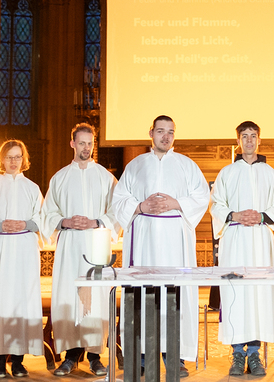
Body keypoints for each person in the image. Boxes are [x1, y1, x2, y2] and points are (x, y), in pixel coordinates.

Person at [111, 115, 210, 377]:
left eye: (170, 132)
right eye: (160, 131)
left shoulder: (187, 165)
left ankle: (175, 356)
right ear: (151, 133)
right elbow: (119, 199)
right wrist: (141, 206)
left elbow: (202, 196)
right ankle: (142, 354)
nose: (166, 136)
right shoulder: (135, 165)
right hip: (144, 243)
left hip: (175, 242)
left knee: (175, 295)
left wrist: (176, 203)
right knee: (143, 293)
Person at [210, 122, 274, 377]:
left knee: (259, 295)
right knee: (236, 294)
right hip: (234, 239)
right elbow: (215, 205)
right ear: (238, 141)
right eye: (244, 136)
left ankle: (255, 354)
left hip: (260, 240)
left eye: (253, 136)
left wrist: (262, 217)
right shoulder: (227, 172)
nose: (248, 140)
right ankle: (237, 354)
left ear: (259, 140)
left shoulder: (270, 173)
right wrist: (234, 214)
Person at [41, 123, 120, 377]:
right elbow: (47, 213)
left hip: (96, 243)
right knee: (69, 295)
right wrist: (65, 221)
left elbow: (117, 211)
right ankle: (71, 356)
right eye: (82, 143)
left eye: (90, 143)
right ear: (72, 144)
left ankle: (95, 357)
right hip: (70, 246)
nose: (86, 148)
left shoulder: (106, 178)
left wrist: (96, 221)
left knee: (95, 299)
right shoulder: (60, 178)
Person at [0, 140, 45, 378]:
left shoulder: (32, 188)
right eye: (9, 157)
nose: (14, 161)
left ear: (24, 159)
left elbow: (43, 219)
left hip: (24, 251)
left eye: (18, 157)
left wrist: (26, 223)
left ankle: (17, 361)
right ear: (1, 160)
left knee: (21, 303)